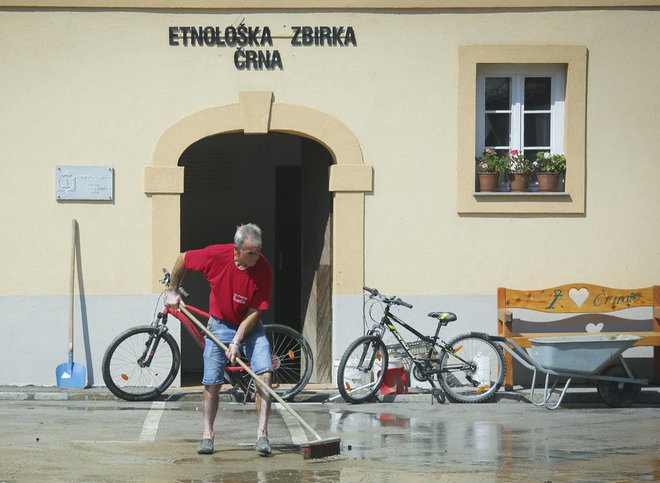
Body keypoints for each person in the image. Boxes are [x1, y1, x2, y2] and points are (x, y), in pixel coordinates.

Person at [166, 223, 274, 456]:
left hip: (250, 324)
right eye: (251, 253)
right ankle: (207, 435)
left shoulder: (263, 269)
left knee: (264, 374)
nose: (257, 256)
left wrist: (237, 340)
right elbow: (183, 258)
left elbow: (255, 311)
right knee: (212, 382)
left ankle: (262, 434)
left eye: (258, 251)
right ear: (237, 250)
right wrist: (174, 290)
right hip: (220, 323)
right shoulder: (216, 256)